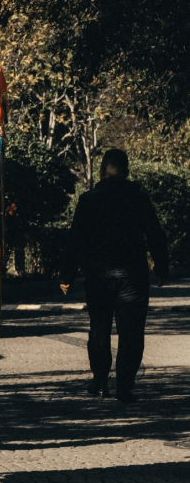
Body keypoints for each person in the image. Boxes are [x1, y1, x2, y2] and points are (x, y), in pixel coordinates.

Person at [60, 148, 169, 404]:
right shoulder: (139, 198)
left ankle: (99, 381)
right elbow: (155, 234)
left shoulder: (88, 200)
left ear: (102, 171)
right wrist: (162, 269)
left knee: (99, 329)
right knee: (131, 333)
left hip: (98, 275)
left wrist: (67, 274)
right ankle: (124, 386)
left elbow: (75, 241)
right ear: (127, 170)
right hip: (132, 275)